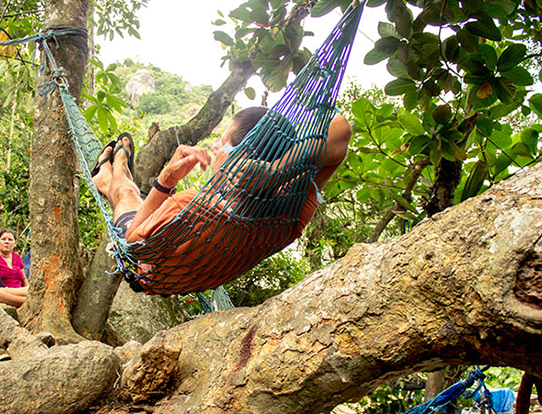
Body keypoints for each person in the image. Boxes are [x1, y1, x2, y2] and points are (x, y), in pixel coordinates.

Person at [92, 106, 352, 293]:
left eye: (222, 141)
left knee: (126, 194)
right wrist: (277, 171)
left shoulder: (190, 208)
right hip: (188, 277)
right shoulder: (287, 213)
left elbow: (134, 244)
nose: (214, 147)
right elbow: (341, 130)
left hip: (147, 271)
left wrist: (167, 179)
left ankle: (112, 174)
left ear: (240, 155)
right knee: (132, 195)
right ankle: (110, 175)